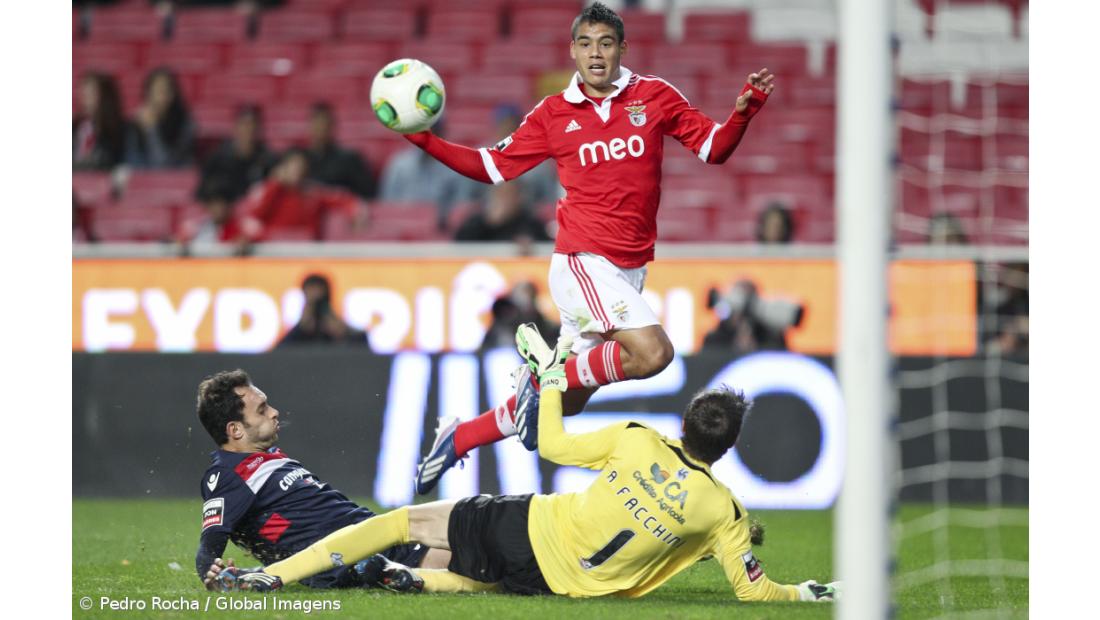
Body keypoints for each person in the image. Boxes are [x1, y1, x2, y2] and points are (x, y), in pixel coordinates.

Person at [410, 2, 775, 494]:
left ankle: (462, 435)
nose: (596, 54)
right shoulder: (553, 114)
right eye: (586, 44)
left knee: (566, 406)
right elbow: (491, 168)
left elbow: (714, 148)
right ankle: (541, 378)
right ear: (573, 52)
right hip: (583, 261)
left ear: (622, 49)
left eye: (606, 43)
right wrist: (426, 141)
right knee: (653, 354)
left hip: (630, 269)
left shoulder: (654, 96)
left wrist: (742, 114)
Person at [206, 326, 840, 603]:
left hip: (526, 527)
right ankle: (420, 583)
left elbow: (552, 444)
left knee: (400, 523)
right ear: (728, 450)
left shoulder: (637, 439)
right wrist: (810, 592)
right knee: (489, 583)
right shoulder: (724, 513)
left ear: (685, 421)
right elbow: (754, 589)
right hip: (565, 585)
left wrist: (550, 376)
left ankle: (274, 580)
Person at [193, 369, 449, 591]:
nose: (274, 412)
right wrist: (210, 571)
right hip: (359, 554)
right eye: (261, 410)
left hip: (372, 536)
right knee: (476, 561)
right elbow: (211, 541)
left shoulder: (268, 459)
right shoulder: (229, 475)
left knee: (468, 535)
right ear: (235, 430)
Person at [237, 149, 364, 241]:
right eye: (293, 166)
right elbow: (252, 219)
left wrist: (355, 212)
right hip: (274, 253)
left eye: (301, 167)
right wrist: (274, 184)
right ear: (283, 168)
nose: (298, 171)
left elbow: (343, 199)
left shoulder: (313, 193)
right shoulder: (268, 191)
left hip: (306, 253)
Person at [378, 120, 484, 229]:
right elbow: (387, 206)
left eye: (433, 130)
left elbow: (460, 209)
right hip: (400, 229)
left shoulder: (456, 167)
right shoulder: (399, 164)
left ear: (441, 133)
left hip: (439, 233)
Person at [198, 105, 277, 203]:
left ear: (258, 128)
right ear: (235, 126)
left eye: (252, 124)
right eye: (243, 124)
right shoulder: (217, 159)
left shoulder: (268, 160)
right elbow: (202, 192)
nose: (248, 129)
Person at [124, 67, 196, 168]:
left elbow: (164, 165)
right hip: (144, 180)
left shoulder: (185, 123)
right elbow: (133, 162)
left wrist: (151, 129)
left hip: (176, 179)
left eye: (165, 90)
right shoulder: (136, 123)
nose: (161, 96)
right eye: (156, 91)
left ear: (173, 94)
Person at [305, 102, 377, 200]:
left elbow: (368, 194)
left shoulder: (350, 160)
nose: (321, 128)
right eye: (317, 123)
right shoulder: (300, 159)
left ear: (332, 126)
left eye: (325, 124)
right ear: (309, 126)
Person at [277, 273, 370, 348]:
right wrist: (300, 329)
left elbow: (362, 349)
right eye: (311, 291)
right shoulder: (300, 329)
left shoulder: (340, 328)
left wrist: (343, 333)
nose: (316, 295)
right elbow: (278, 356)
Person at [454, 182, 552, 244]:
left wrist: (532, 245)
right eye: (500, 194)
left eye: (509, 194)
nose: (505, 199)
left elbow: (545, 246)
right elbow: (461, 245)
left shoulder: (530, 222)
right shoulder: (479, 221)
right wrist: (489, 222)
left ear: (519, 197)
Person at [73, 72, 127, 171]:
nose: (85, 98)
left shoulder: (121, 130)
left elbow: (122, 167)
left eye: (91, 93)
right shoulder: (74, 127)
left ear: (106, 96)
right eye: (83, 92)